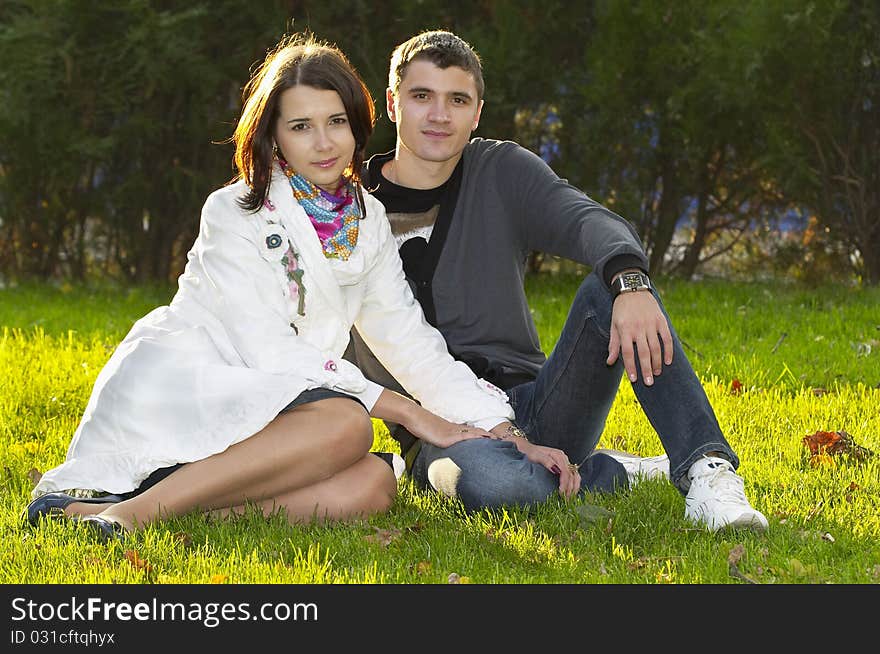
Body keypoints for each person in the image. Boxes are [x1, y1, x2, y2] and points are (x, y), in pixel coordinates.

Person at [24, 33, 518, 542]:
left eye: (336, 123)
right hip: (198, 387)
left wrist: (500, 428)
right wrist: (404, 411)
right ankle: (132, 512)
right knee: (349, 425)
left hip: (282, 410)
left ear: (357, 124)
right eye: (301, 127)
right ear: (273, 136)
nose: (324, 143)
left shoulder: (365, 219)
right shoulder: (234, 210)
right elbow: (265, 350)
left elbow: (408, 341)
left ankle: (147, 511)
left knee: (373, 483)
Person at [345, 29, 769, 532]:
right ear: (393, 104)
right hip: (441, 431)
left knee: (611, 294)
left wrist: (630, 283)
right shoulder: (345, 210)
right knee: (504, 488)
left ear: (477, 112)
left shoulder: (499, 171)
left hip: (536, 402)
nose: (439, 115)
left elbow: (588, 221)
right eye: (422, 96)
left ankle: (705, 471)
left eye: (457, 99)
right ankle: (608, 472)